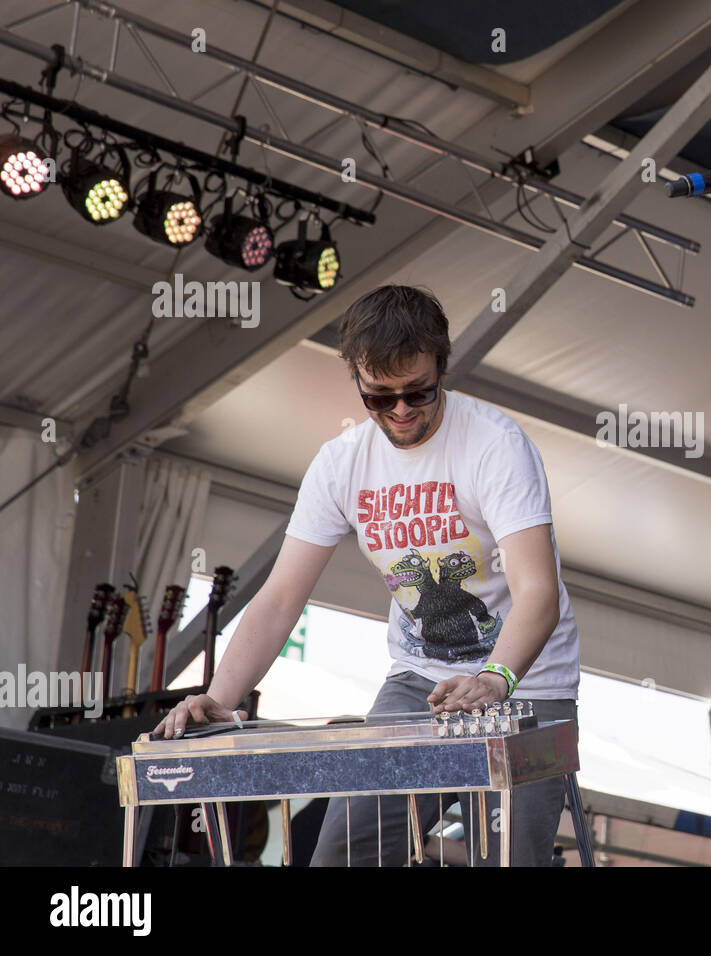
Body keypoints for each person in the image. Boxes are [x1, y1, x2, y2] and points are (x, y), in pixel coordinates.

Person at [156, 284, 580, 867]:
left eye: (418, 393)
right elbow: (281, 597)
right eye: (380, 398)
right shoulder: (341, 464)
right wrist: (219, 698)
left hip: (525, 684)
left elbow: (538, 591)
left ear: (442, 368)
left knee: (505, 859)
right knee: (343, 855)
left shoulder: (495, 445)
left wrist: (496, 678)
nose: (401, 411)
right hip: (418, 681)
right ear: (355, 378)